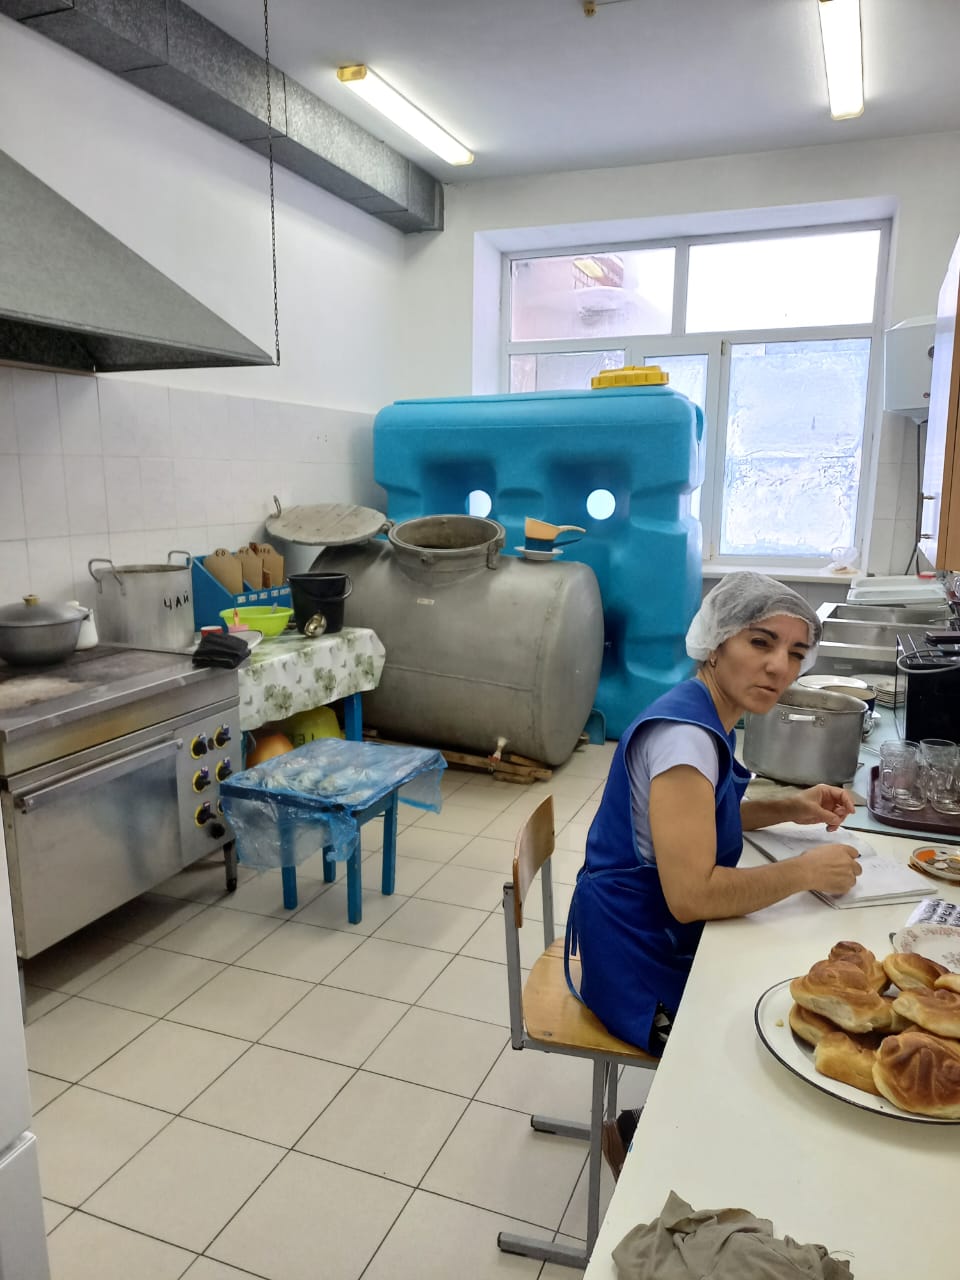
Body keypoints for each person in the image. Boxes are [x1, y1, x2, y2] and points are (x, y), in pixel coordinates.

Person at [563, 572, 861, 1175]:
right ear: (717, 642)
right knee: (766, 1053)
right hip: (634, 955)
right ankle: (638, 1139)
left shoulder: (707, 711)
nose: (779, 667)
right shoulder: (685, 740)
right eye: (761, 642)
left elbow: (702, 819)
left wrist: (791, 806)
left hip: (653, 929)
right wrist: (805, 871)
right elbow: (692, 894)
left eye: (796, 653)